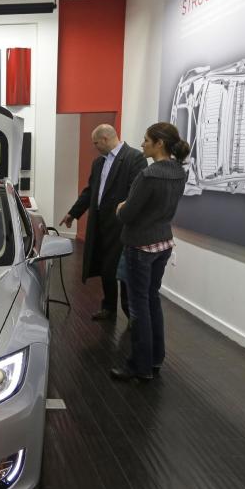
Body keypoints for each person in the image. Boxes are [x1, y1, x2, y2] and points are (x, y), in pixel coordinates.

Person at [110, 122, 190, 381]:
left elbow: (129, 213)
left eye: (146, 140)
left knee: (138, 307)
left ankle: (139, 366)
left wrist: (121, 208)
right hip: (163, 244)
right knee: (152, 300)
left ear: (159, 144)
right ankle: (155, 359)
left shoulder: (149, 175)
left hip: (140, 246)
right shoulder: (179, 172)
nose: (142, 144)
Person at [60, 124, 146, 321]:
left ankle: (131, 314)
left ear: (106, 139)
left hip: (121, 224)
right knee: (106, 267)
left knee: (123, 270)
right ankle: (109, 307)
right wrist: (73, 213)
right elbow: (91, 191)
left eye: (96, 143)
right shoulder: (99, 162)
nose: (95, 146)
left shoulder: (134, 158)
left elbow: (137, 192)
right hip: (100, 223)